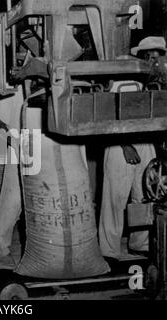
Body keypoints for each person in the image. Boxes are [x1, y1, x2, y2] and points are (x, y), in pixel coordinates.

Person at [98, 37, 165, 262]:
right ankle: (109, 250)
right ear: (144, 57)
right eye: (152, 57)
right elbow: (108, 113)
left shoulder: (152, 79)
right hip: (120, 141)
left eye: (159, 57)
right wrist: (125, 144)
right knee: (115, 198)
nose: (155, 61)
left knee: (144, 194)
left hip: (144, 140)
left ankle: (140, 243)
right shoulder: (123, 73)